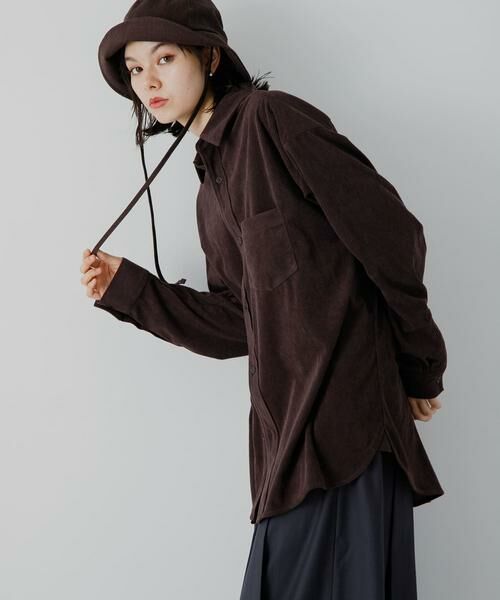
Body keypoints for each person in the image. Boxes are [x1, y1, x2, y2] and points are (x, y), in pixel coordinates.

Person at [80, 1, 447, 598]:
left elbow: (392, 235)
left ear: (210, 57)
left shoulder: (270, 120)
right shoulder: (210, 190)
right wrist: (132, 290)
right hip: (286, 451)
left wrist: (420, 364)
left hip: (347, 430)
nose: (147, 81)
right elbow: (239, 324)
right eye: (135, 68)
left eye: (165, 59)